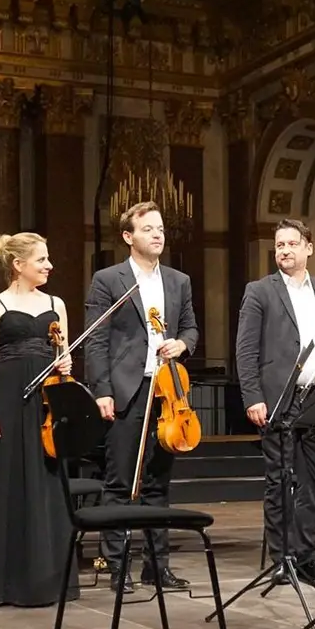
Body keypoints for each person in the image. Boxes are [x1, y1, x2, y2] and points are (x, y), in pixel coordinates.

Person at [84, 201, 198, 593]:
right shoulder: (109, 280)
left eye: (161, 228)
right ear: (128, 237)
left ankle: (156, 566)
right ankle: (116, 565)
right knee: (118, 482)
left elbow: (192, 330)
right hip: (126, 391)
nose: (158, 234)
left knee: (158, 484)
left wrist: (181, 344)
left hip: (167, 391)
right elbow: (96, 339)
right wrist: (101, 390)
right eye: (148, 229)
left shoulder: (179, 281)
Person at [235, 218, 315, 585]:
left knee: (314, 481)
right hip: (278, 397)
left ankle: (309, 556)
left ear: (308, 248)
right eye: (279, 245)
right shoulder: (259, 291)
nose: (284, 250)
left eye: (291, 244)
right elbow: (246, 349)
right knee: (280, 480)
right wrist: (252, 396)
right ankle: (282, 557)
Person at [0, 232, 80, 606]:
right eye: (41, 260)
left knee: (47, 482)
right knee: (8, 482)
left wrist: (65, 363)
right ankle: (4, 584)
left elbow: (63, 354)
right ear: (18, 265)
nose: (49, 265)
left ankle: (49, 581)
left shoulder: (56, 304)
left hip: (47, 403)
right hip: (7, 399)